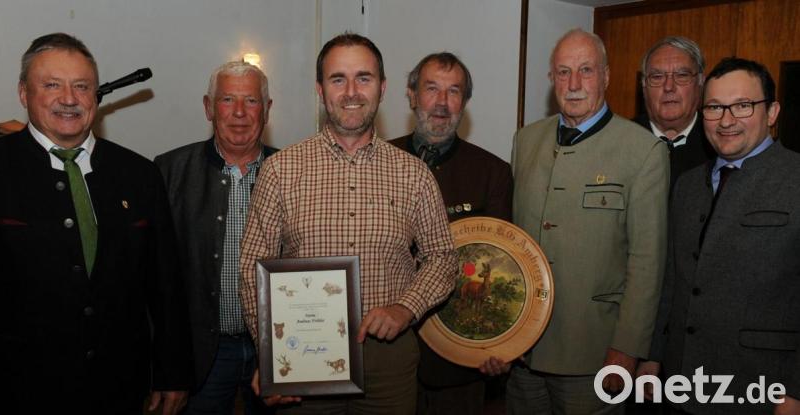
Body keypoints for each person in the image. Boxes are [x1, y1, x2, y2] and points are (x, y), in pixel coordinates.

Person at [238, 33, 458, 414]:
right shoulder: (280, 171)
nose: (352, 92)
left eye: (364, 78)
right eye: (338, 79)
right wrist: (270, 354)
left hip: (387, 360)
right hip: (301, 354)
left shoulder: (414, 174)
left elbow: (443, 257)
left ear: (382, 88)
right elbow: (251, 268)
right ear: (320, 90)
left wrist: (405, 308)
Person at [0, 33, 191, 414]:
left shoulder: (139, 175)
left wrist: (173, 371)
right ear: (23, 93)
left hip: (118, 388)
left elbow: (165, 283)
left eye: (82, 86)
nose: (69, 98)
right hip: (17, 387)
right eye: (52, 85)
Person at [506, 28, 669, 414]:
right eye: (563, 72)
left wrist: (627, 349)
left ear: (606, 76)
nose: (574, 84)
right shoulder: (525, 141)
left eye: (586, 70)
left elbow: (647, 263)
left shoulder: (643, 150)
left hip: (594, 354)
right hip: (522, 351)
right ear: (551, 78)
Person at [641, 57, 800, 415]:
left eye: (743, 105)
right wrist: (652, 357)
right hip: (682, 383)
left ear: (772, 112)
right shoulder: (687, 186)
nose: (726, 121)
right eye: (714, 107)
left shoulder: (795, 179)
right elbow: (672, 280)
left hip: (762, 388)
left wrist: (796, 394)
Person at [389, 51, 512, 415]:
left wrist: (500, 342)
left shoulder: (492, 172)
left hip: (461, 364)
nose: (442, 102)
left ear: (465, 102)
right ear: (412, 95)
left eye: (454, 91)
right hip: (388, 354)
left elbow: (502, 268)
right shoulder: (379, 162)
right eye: (431, 89)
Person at [155, 61, 277, 414]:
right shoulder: (168, 171)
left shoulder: (291, 172)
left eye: (251, 101)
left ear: (267, 109)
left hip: (276, 346)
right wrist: (166, 366)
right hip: (201, 353)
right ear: (209, 107)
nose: (239, 112)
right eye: (227, 100)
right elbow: (154, 280)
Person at [636, 36, 715, 187]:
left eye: (682, 75)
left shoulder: (718, 143)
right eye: (657, 77)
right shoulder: (621, 142)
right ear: (644, 86)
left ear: (700, 82)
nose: (668, 87)